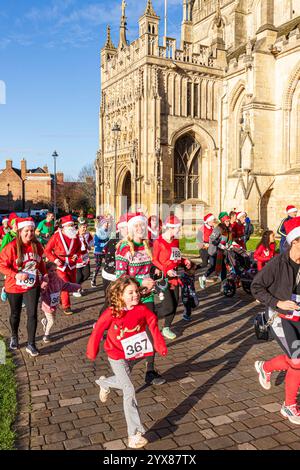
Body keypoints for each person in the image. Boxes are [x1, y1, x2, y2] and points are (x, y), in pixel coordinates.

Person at [86, 276, 167, 448]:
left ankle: (104, 383)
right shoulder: (112, 312)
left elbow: (153, 323)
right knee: (129, 388)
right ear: (120, 295)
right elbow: (99, 328)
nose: (135, 295)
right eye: (130, 293)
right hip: (116, 354)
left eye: (136, 292)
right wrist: (92, 350)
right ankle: (134, 434)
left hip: (133, 353)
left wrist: (159, 344)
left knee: (123, 381)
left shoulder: (142, 309)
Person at [251, 216, 300, 424]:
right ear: (295, 242)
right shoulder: (278, 263)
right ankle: (289, 406)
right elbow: (256, 287)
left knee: (295, 359)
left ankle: (266, 367)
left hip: (297, 314)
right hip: (279, 315)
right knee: (298, 359)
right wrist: (278, 302)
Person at [116, 212, 165, 386]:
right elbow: (120, 277)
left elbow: (152, 265)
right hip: (130, 298)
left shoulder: (148, 245)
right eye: (136, 226)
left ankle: (150, 371)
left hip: (147, 296)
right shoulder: (123, 248)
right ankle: (122, 370)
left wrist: (156, 271)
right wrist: (140, 282)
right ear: (130, 228)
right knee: (132, 336)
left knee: (152, 332)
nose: (140, 228)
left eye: (142, 225)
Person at [0, 217, 46, 356]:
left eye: (32, 230)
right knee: (15, 314)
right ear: (20, 231)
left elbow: (41, 263)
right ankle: (14, 335)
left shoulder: (36, 245)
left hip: (32, 285)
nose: (29, 234)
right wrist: (16, 275)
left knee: (32, 314)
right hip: (14, 286)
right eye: (26, 231)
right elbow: (2, 265)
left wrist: (45, 275)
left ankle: (31, 344)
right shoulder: (11, 247)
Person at [152, 215, 191, 340]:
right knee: (168, 306)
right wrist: (166, 269)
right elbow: (154, 260)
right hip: (162, 277)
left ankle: (166, 327)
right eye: (178, 228)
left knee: (174, 304)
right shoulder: (159, 241)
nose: (179, 230)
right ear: (171, 228)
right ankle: (150, 318)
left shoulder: (176, 241)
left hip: (174, 277)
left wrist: (184, 261)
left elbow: (177, 258)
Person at [44, 215, 81, 315]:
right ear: (64, 226)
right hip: (60, 264)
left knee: (71, 283)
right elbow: (47, 250)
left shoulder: (75, 236)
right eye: (69, 225)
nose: (72, 227)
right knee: (65, 283)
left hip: (71, 264)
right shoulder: (56, 236)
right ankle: (66, 306)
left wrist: (77, 255)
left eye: (73, 225)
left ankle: (61, 298)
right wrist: (54, 259)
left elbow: (79, 249)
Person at [40, 262, 81, 343]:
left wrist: (77, 287)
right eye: (51, 271)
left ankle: (45, 321)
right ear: (46, 271)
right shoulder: (44, 279)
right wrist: (45, 283)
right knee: (51, 321)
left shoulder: (58, 280)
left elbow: (66, 285)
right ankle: (46, 335)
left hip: (54, 304)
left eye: (55, 270)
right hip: (46, 304)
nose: (54, 272)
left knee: (52, 318)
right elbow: (41, 290)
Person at [100, 214, 129, 312]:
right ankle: (100, 324)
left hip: (127, 276)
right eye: (125, 228)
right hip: (111, 275)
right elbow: (108, 259)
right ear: (120, 228)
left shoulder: (134, 240)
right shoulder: (114, 241)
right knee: (110, 302)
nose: (128, 230)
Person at [199, 212, 231, 289]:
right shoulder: (218, 228)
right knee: (215, 266)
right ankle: (203, 277)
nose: (228, 222)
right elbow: (212, 239)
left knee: (222, 267)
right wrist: (220, 245)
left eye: (228, 221)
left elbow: (226, 239)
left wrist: (229, 244)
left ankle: (223, 285)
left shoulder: (227, 229)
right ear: (223, 221)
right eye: (227, 221)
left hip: (222, 251)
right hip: (214, 251)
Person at [74, 219, 93, 297]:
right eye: (83, 227)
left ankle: (76, 286)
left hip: (85, 257)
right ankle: (76, 289)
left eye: (86, 227)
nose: (85, 229)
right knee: (79, 276)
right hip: (77, 257)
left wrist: (88, 246)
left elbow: (90, 244)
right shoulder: (74, 235)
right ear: (79, 227)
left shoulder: (87, 234)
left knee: (87, 274)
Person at [91, 216, 111, 288]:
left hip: (105, 251)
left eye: (108, 223)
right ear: (102, 224)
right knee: (98, 266)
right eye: (105, 223)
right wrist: (106, 244)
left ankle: (108, 279)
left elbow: (109, 240)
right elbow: (96, 243)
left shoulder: (107, 232)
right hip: (98, 251)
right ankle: (93, 280)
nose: (107, 225)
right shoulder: (98, 231)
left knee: (109, 264)